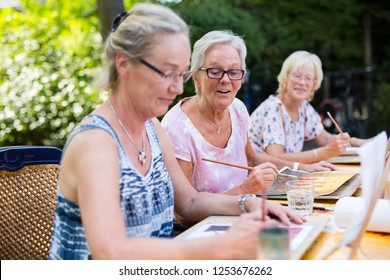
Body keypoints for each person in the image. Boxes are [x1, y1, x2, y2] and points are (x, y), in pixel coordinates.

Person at [48, 4, 304, 260]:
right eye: (166, 73)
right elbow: (110, 251)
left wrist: (247, 202)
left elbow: (190, 203)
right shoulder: (95, 143)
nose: (177, 89)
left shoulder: (153, 129)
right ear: (124, 64)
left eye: (179, 75)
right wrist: (220, 247)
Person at [161, 31, 335, 198]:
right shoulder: (176, 129)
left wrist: (303, 168)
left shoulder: (237, 108)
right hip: (211, 224)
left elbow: (252, 159)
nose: (225, 79)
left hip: (247, 208)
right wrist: (244, 191)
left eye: (234, 72)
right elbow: (184, 213)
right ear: (196, 77)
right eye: (214, 71)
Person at [249, 50, 368, 164]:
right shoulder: (273, 108)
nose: (302, 82)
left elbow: (325, 139)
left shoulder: (304, 108)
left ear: (314, 83)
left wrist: (355, 142)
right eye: (297, 76)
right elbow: (276, 158)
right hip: (254, 176)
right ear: (286, 77)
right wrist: (321, 153)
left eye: (308, 78)